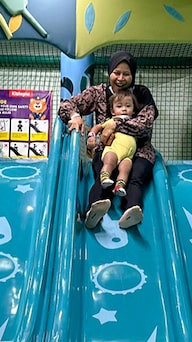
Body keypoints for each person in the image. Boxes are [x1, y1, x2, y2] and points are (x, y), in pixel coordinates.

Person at [58, 51, 158, 229]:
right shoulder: (98, 93)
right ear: (109, 72)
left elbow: (145, 122)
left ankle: (132, 210)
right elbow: (66, 105)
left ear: (132, 76)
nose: (121, 78)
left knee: (135, 178)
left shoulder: (141, 93)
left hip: (139, 150)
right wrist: (75, 116)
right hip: (108, 149)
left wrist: (113, 125)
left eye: (126, 74)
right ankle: (94, 210)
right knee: (103, 175)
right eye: (116, 72)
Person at [86, 90, 138, 198]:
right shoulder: (113, 120)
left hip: (127, 156)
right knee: (109, 162)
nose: (124, 109)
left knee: (126, 169)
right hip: (113, 150)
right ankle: (104, 177)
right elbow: (98, 127)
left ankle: (119, 186)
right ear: (113, 111)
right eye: (119, 106)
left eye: (128, 106)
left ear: (133, 110)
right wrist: (92, 135)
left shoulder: (135, 123)